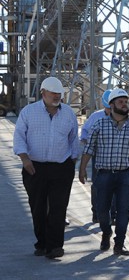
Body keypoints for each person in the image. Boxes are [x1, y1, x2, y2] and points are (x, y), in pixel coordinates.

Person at [79, 88, 129, 256]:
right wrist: (82, 169)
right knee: (102, 209)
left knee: (123, 210)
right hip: (103, 174)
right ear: (111, 105)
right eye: (120, 102)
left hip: (126, 175)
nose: (124, 105)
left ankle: (119, 244)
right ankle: (106, 232)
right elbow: (89, 149)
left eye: (126, 102)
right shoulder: (99, 124)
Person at [13, 76, 79, 259]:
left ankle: (55, 246)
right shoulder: (28, 112)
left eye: (59, 94)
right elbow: (19, 136)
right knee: (38, 207)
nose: (57, 97)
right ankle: (42, 243)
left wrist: (72, 162)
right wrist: (25, 159)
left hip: (61, 168)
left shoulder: (68, 113)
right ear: (43, 92)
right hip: (34, 168)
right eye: (53, 93)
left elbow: (74, 138)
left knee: (58, 207)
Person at [81, 89, 116, 224]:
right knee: (97, 186)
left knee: (114, 187)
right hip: (99, 157)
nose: (109, 110)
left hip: (116, 158)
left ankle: (113, 214)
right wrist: (86, 141)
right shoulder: (96, 117)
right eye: (107, 108)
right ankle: (96, 213)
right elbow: (84, 131)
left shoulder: (122, 117)